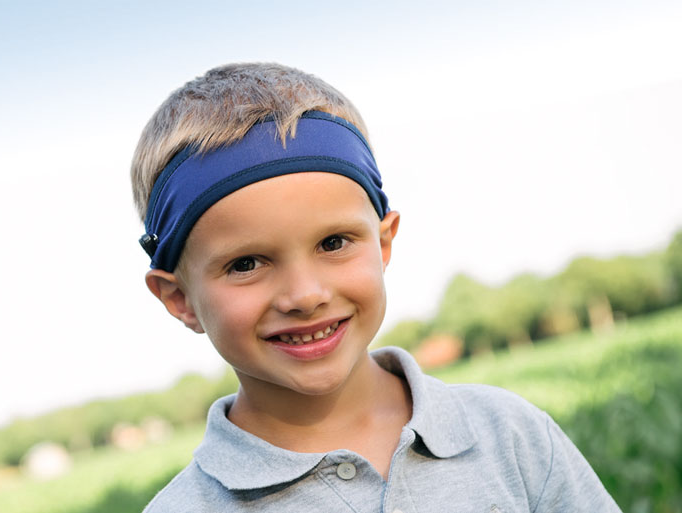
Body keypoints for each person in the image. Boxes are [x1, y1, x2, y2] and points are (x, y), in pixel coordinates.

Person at [130, 63, 619, 512]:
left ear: (383, 243)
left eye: (334, 242)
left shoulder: (509, 434)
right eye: (247, 263)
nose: (305, 295)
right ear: (180, 298)